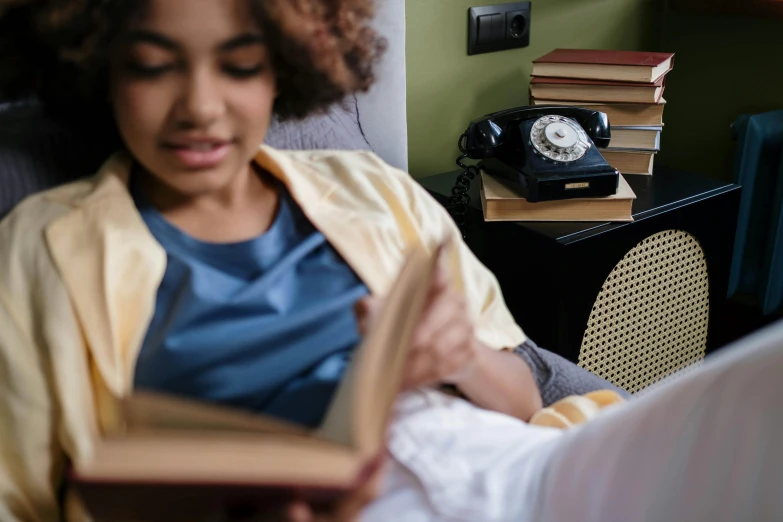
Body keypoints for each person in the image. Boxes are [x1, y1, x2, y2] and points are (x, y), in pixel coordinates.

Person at [0, 1, 781, 521]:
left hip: (519, 474)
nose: (200, 105)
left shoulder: (373, 190)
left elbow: (520, 391)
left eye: (237, 64)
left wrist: (462, 356)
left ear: (283, 67)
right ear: (101, 69)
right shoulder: (44, 247)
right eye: (154, 64)